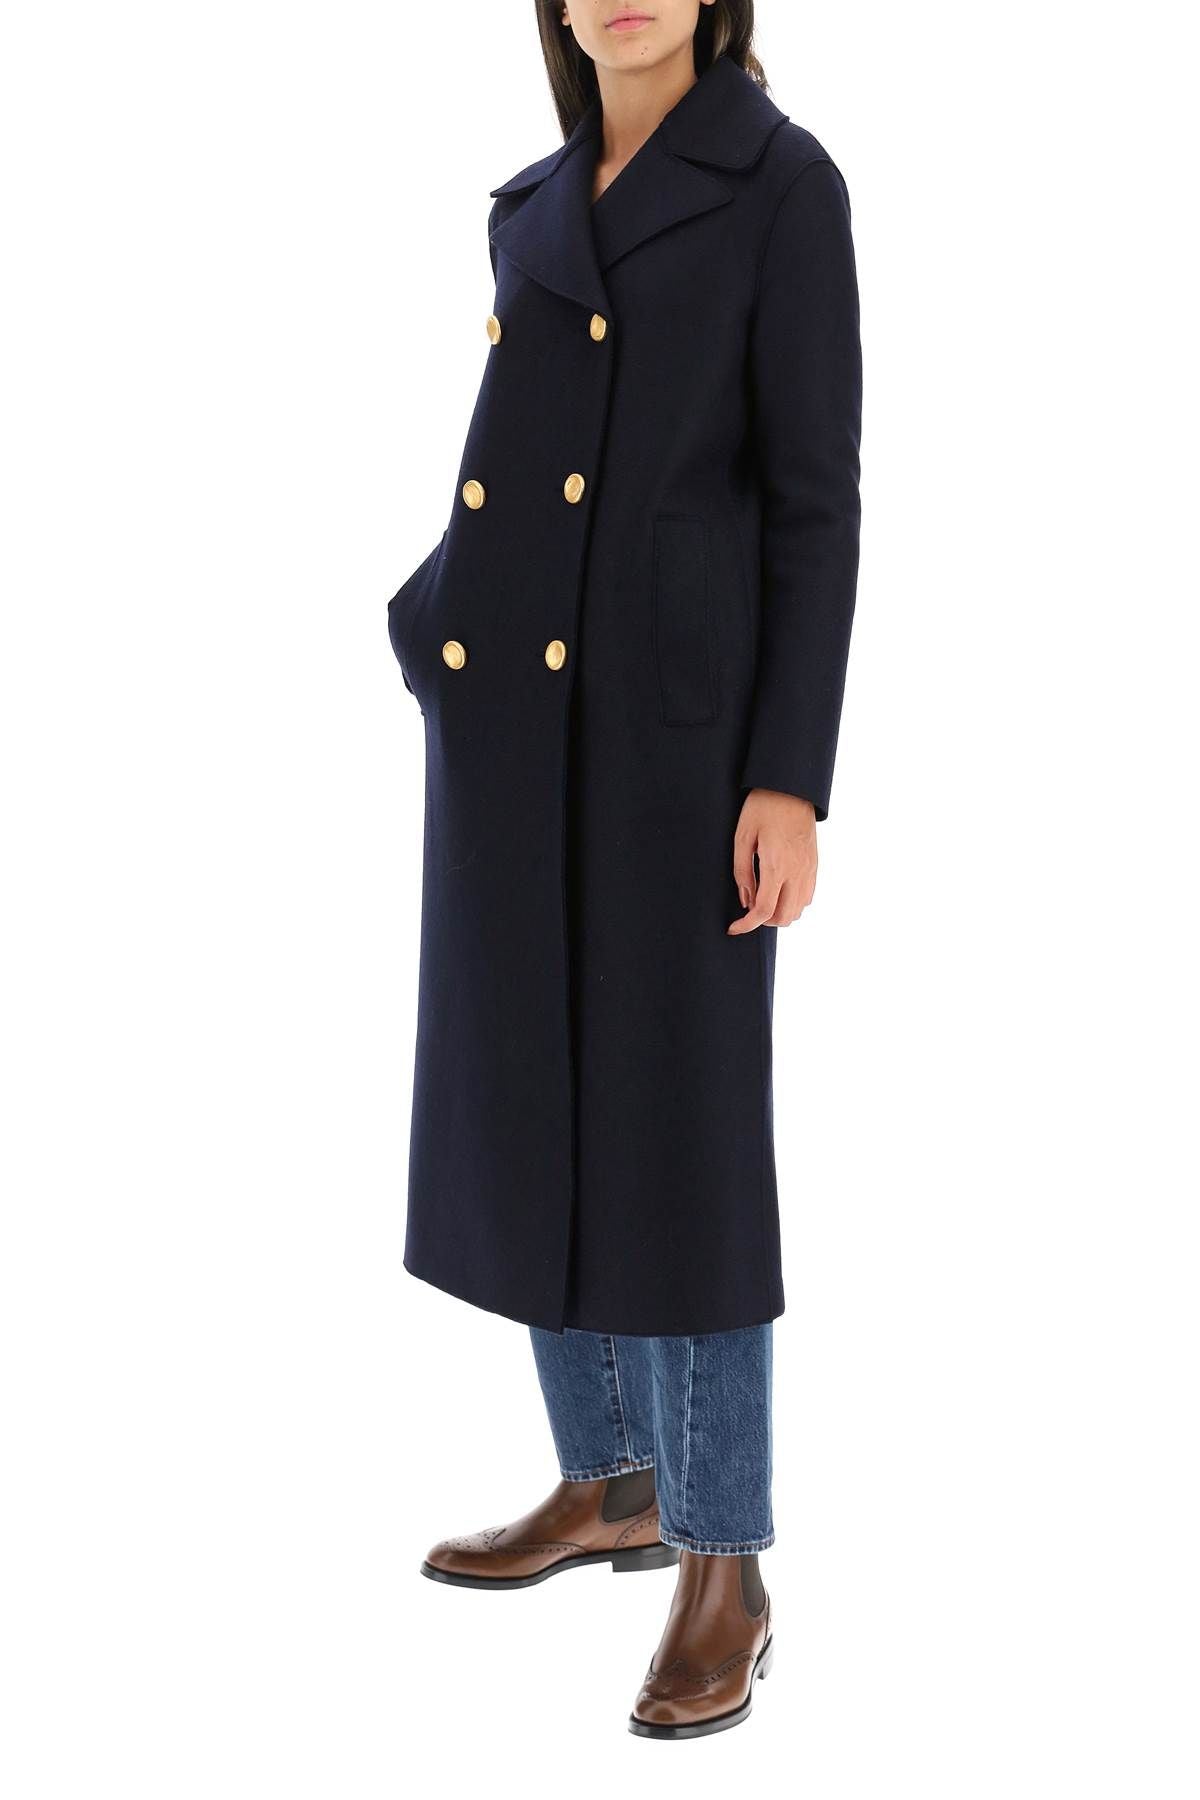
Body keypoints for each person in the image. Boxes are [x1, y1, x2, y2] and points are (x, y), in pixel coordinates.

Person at [387, 0, 861, 1740]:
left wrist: (788, 775)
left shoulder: (782, 183)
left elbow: (814, 499)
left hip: (682, 746)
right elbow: (520, 457)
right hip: (515, 722)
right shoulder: (532, 204)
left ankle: (724, 1555)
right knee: (530, 1094)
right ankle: (610, 1478)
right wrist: (433, 624)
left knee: (684, 1134)